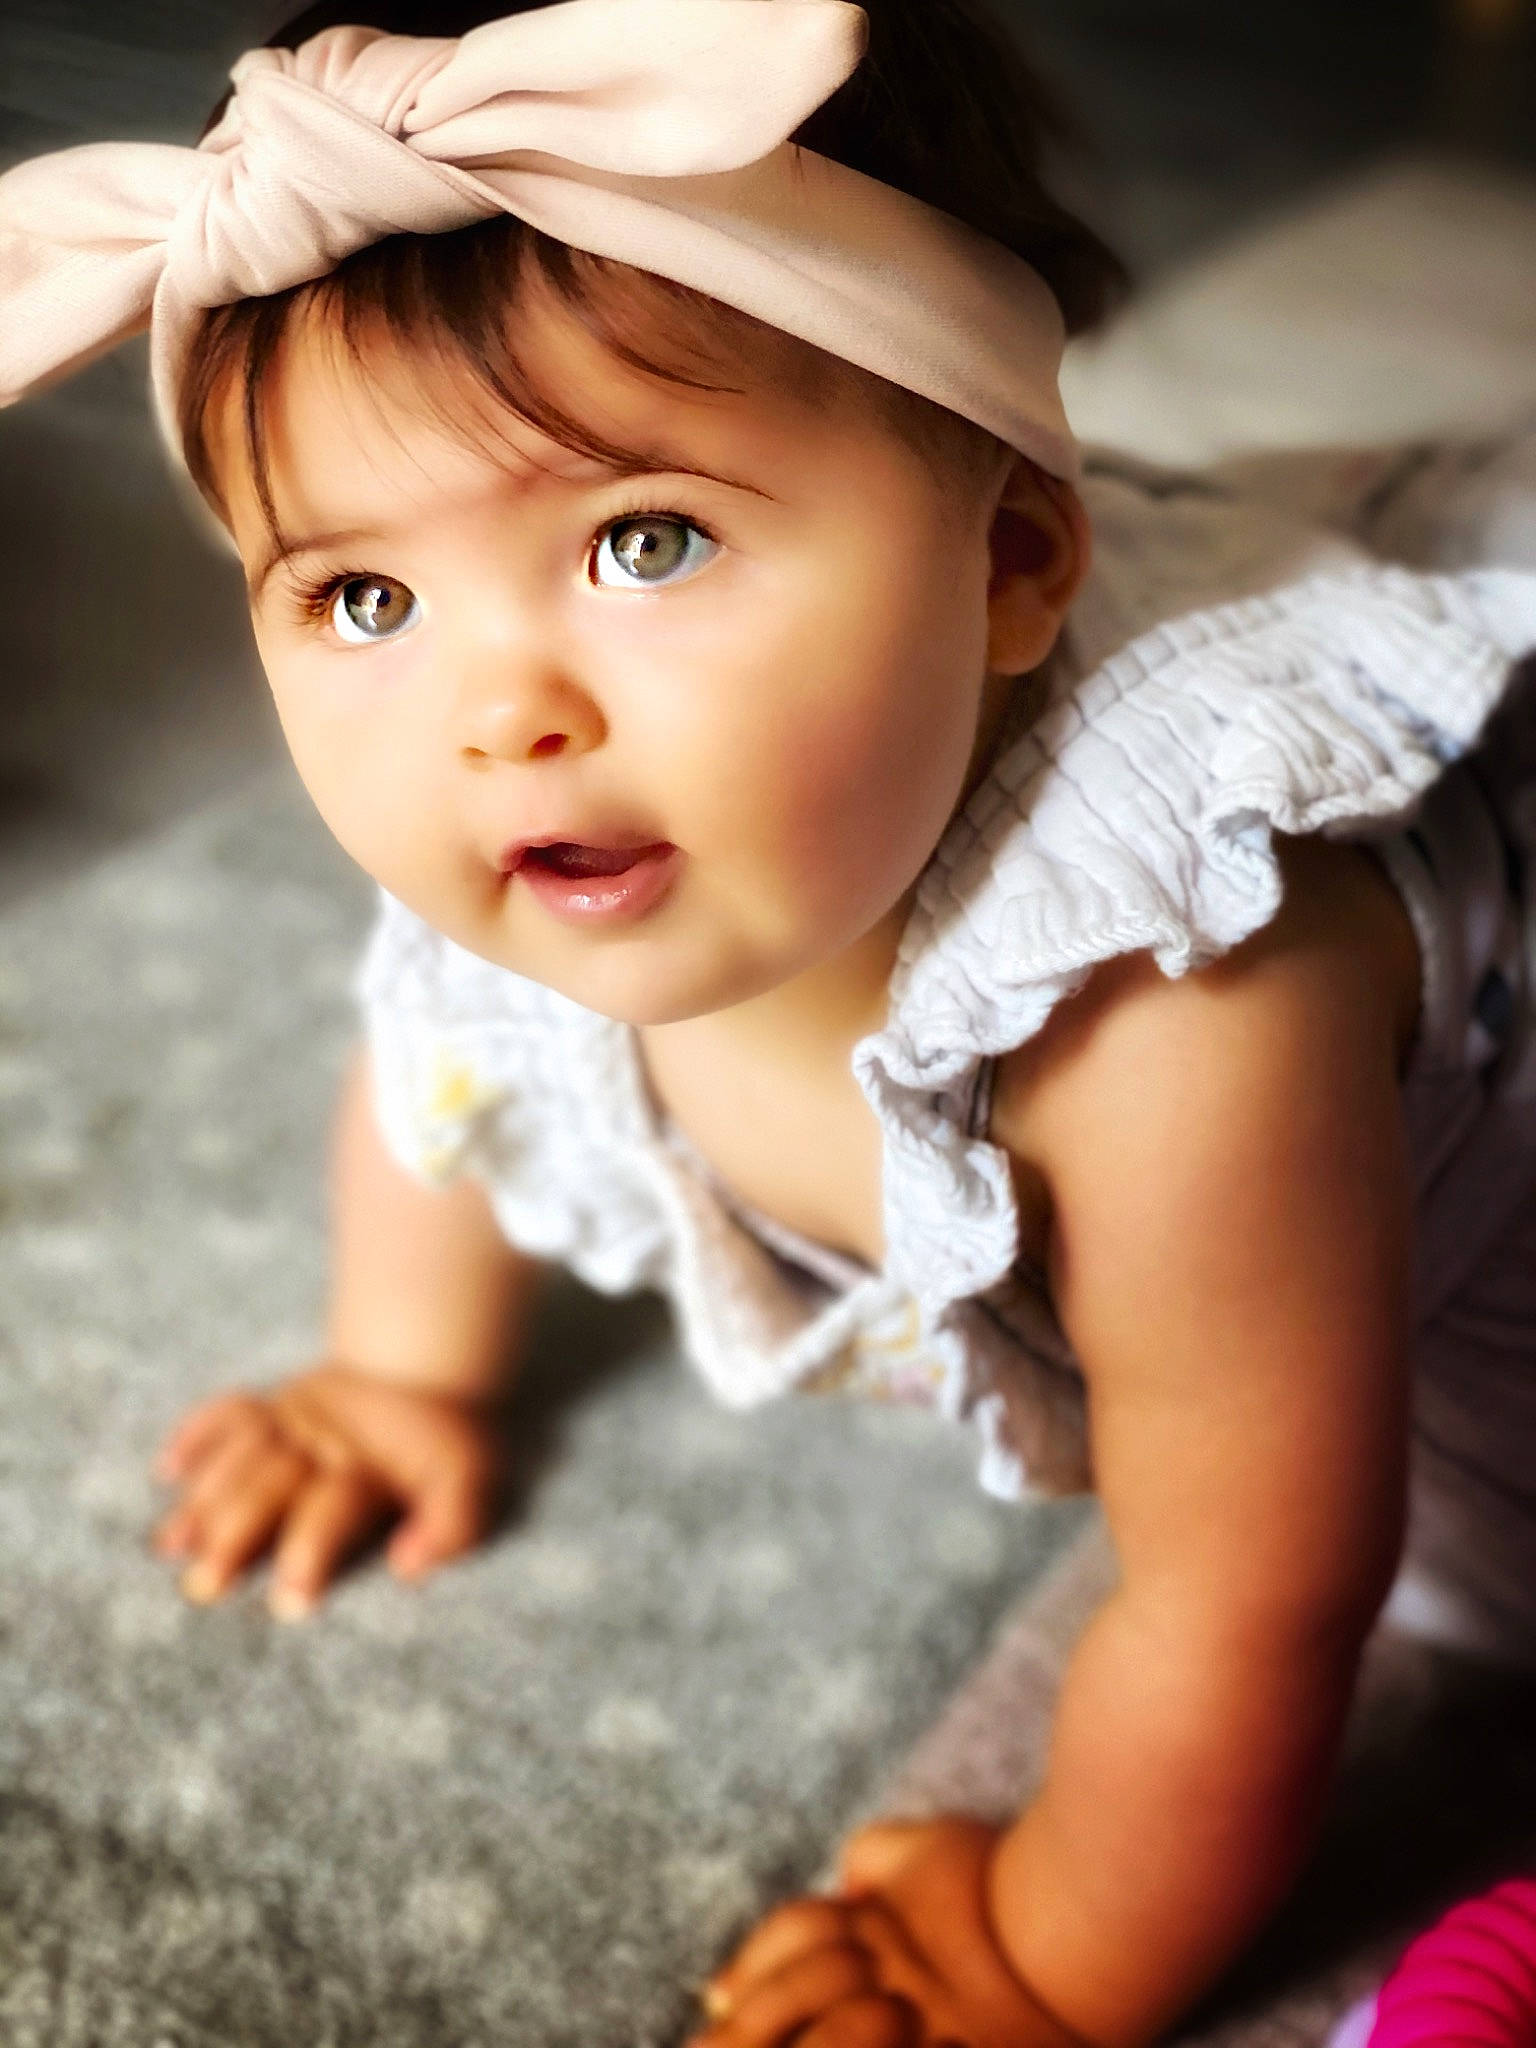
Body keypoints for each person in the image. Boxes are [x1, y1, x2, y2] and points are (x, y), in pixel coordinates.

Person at [3, 1, 1535, 2042]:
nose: (496, 708)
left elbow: (1256, 1587)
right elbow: (440, 1065)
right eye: (362, 597)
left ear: (1006, 565)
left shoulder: (1173, 1006)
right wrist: (399, 1373)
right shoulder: (557, 815)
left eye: (646, 540)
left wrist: (1049, 1946)